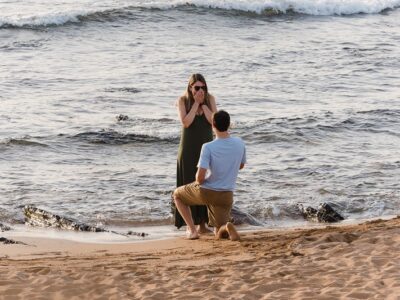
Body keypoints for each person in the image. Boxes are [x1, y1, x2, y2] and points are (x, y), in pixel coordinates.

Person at [173, 110, 246, 240]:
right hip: (227, 195)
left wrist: (204, 179)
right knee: (218, 232)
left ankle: (192, 230)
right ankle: (225, 227)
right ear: (229, 125)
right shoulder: (239, 142)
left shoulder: (208, 147)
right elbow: (241, 165)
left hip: (208, 192)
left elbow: (200, 179)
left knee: (177, 195)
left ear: (212, 125)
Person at [174, 74, 217, 233]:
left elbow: (215, 123)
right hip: (188, 148)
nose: (200, 90)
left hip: (206, 147)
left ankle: (203, 224)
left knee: (204, 183)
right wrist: (195, 105)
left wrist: (204, 106)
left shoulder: (210, 99)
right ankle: (190, 225)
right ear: (190, 87)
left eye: (203, 87)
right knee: (187, 183)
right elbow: (186, 122)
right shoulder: (183, 100)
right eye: (197, 87)